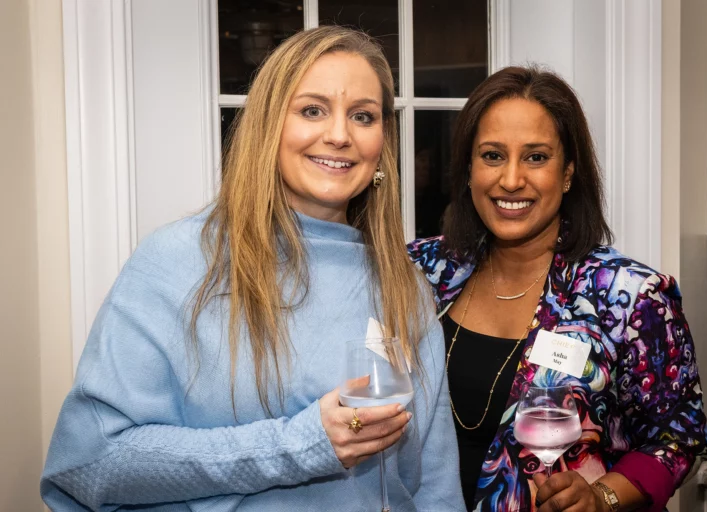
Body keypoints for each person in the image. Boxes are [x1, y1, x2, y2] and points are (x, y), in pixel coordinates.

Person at [41, 26, 463, 511]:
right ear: (268, 126)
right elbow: (90, 461)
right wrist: (300, 446)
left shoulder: (401, 283)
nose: (340, 135)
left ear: (381, 142)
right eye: (312, 110)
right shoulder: (180, 261)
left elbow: (434, 486)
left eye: (363, 116)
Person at [408, 66, 707, 512]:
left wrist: (602, 496)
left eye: (535, 157)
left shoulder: (628, 295)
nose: (511, 180)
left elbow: (678, 434)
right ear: (469, 169)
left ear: (568, 173)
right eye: (492, 155)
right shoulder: (420, 270)